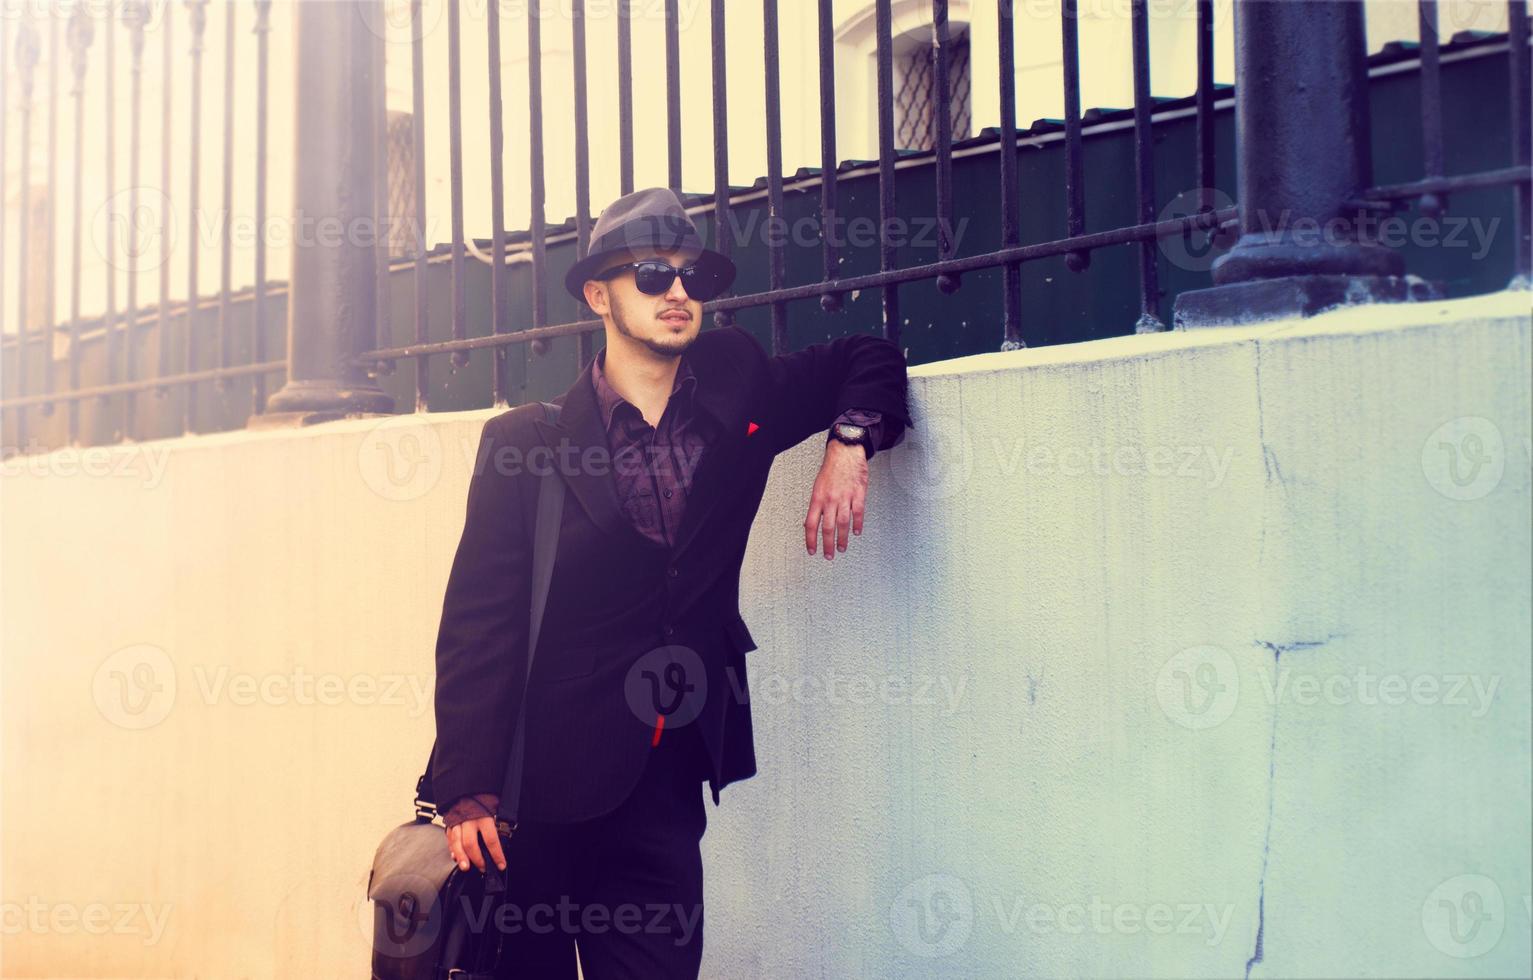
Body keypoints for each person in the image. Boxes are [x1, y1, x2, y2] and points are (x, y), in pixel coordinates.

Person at [431, 187, 912, 978]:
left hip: (664, 777)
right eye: (651, 275)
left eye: (691, 276)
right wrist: (466, 787)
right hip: (534, 793)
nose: (678, 292)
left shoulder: (737, 390)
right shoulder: (526, 443)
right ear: (598, 294)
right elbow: (479, 622)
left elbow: (867, 355)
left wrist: (849, 441)